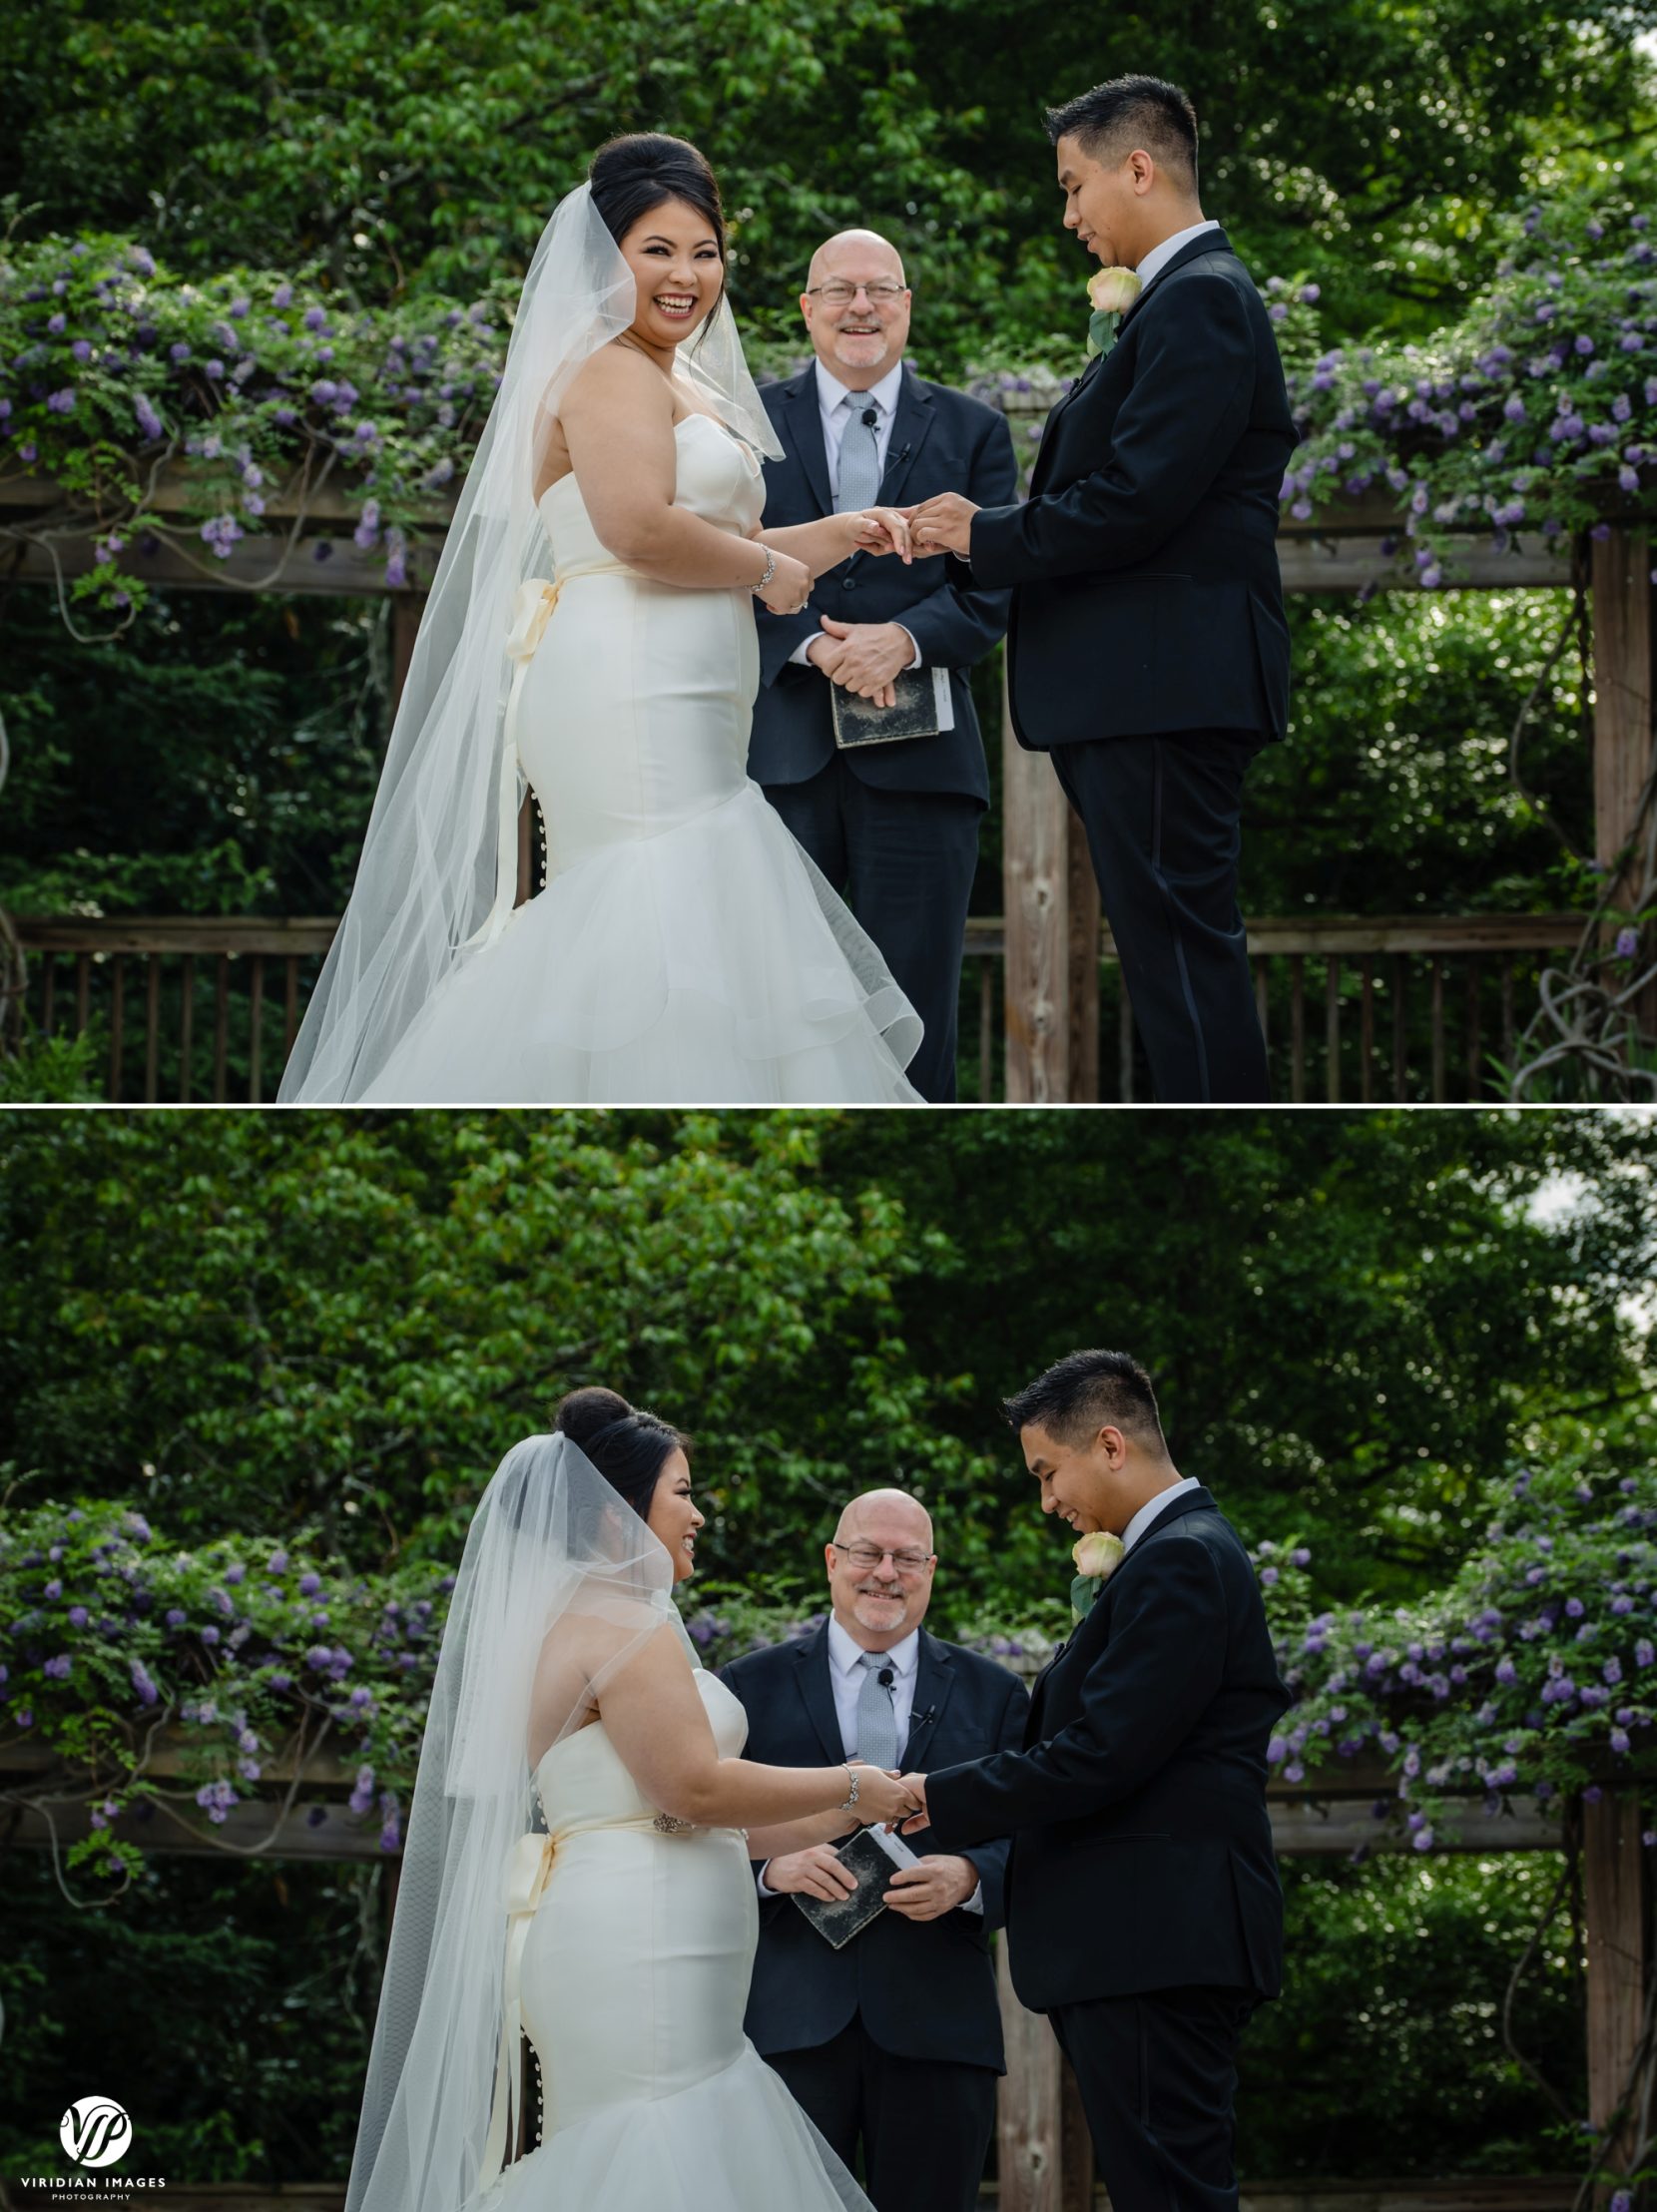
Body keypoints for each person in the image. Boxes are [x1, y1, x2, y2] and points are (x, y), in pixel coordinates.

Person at [279, 135, 925, 1106]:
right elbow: (637, 531)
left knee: (687, 912)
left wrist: (832, 535)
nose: (685, 275)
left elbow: (715, 531)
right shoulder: (609, 370)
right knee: (651, 903)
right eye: (656, 249)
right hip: (626, 685)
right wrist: (768, 571)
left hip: (687, 690)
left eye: (703, 250)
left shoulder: (677, 377)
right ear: (604, 256)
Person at [343, 1388, 921, 2212]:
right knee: (653, 2145)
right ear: (620, 1515)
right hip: (640, 1945)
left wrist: (862, 1811)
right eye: (682, 1492)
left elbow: (699, 1817)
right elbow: (693, 1785)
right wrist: (857, 1781)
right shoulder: (621, 1624)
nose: (698, 1515)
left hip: (650, 1928)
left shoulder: (591, 1621)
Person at [907, 77, 1297, 1105]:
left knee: (1181, 962)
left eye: (1075, 186)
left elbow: (1135, 502)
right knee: (1172, 958)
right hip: (1146, 691)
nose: (1069, 214)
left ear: (1138, 167)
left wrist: (983, 535)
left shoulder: (1204, 296)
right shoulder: (1178, 298)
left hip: (1165, 690)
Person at [896, 1351, 1293, 2212]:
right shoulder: (1171, 1557)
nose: (1047, 1501)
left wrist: (932, 1796)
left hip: (1155, 1939)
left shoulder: (1182, 1560)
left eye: (1047, 1471)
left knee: (1171, 2193)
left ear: (1109, 1444)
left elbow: (1103, 1753)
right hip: (1146, 1943)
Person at [750, 232, 1018, 1101]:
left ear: (907, 305)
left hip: (925, 769)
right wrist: (813, 644)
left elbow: (998, 589)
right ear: (807, 308)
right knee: (785, 1010)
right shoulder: (745, 425)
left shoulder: (975, 429)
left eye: (880, 290)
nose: (859, 307)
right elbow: (715, 570)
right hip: (780, 764)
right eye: (838, 291)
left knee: (916, 1019)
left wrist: (899, 642)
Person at [719, 1488, 1029, 2212]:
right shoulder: (747, 1689)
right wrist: (769, 1872)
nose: (885, 1572)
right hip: (785, 2023)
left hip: (939, 2026)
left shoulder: (996, 1696)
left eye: (907, 1558)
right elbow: (696, 1830)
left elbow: (1038, 1841)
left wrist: (971, 1876)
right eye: (867, 1552)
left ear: (931, 1570)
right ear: (833, 1559)